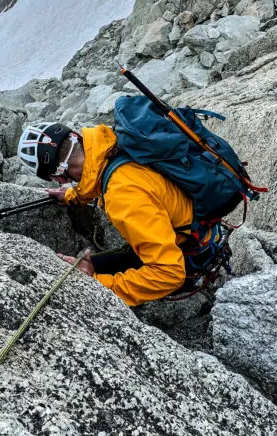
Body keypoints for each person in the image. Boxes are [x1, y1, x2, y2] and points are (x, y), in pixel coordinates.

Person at [17, 121, 194, 306]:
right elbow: (95, 176)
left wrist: (96, 283)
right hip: (186, 224)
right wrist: (73, 195)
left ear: (59, 175)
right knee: (97, 262)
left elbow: (170, 273)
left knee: (90, 273)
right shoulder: (110, 143)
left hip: (188, 250)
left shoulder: (122, 194)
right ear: (76, 137)